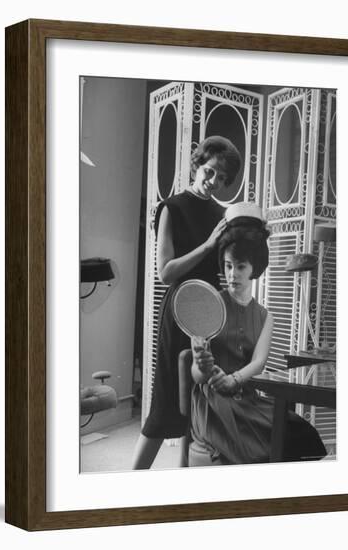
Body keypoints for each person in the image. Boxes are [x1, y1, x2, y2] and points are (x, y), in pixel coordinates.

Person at [132, 136, 242, 469]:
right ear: (197, 165)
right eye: (209, 172)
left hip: (213, 314)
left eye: (222, 179)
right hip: (180, 309)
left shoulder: (223, 214)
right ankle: (129, 481)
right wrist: (209, 245)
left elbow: (229, 269)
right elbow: (165, 271)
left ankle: (184, 478)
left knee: (200, 400)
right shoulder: (172, 207)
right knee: (167, 401)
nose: (213, 183)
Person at [188, 204, 327, 466]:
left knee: (302, 433)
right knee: (257, 450)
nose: (232, 274)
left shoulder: (265, 317)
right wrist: (200, 364)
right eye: (228, 265)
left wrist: (234, 380)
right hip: (214, 403)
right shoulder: (207, 306)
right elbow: (196, 376)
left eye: (240, 267)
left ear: (255, 268)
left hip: (248, 399)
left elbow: (258, 363)